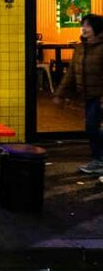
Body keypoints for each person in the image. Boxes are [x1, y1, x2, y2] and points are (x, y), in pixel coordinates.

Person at [53, 14, 103, 175]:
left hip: (99, 96)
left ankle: (99, 160)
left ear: (97, 28)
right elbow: (71, 74)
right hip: (88, 96)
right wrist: (59, 93)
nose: (84, 28)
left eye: (88, 25)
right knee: (91, 128)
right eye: (83, 25)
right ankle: (99, 160)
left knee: (92, 127)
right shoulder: (81, 48)